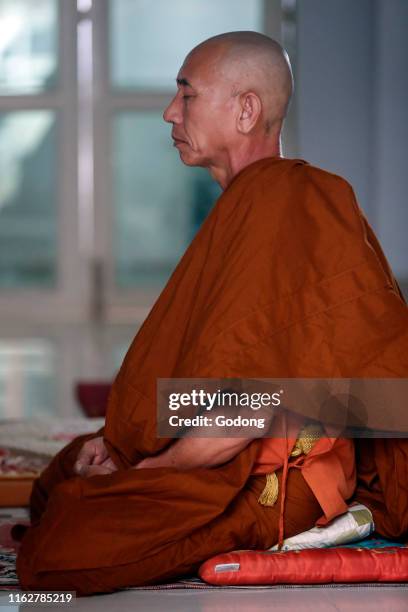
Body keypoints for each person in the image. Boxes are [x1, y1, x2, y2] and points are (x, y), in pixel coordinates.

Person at [17, 31, 407, 595]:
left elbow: (255, 402)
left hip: (271, 472)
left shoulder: (285, 199)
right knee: (64, 482)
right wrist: (122, 442)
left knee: (61, 550)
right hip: (239, 436)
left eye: (187, 93)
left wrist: (145, 470)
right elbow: (223, 366)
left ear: (247, 110)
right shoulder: (252, 205)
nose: (169, 111)